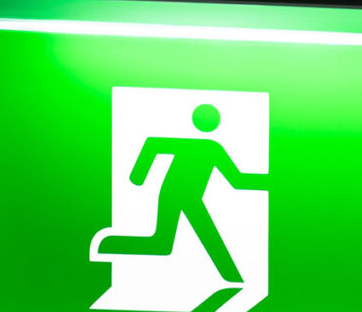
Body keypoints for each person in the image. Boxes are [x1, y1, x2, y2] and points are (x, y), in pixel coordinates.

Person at [90, 103, 267, 280]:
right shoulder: (209, 148)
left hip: (189, 197)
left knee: (162, 244)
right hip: (173, 195)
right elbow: (153, 144)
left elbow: (236, 180)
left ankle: (109, 244)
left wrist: (269, 182)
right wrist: (138, 176)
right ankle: (233, 277)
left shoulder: (213, 149)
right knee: (169, 243)